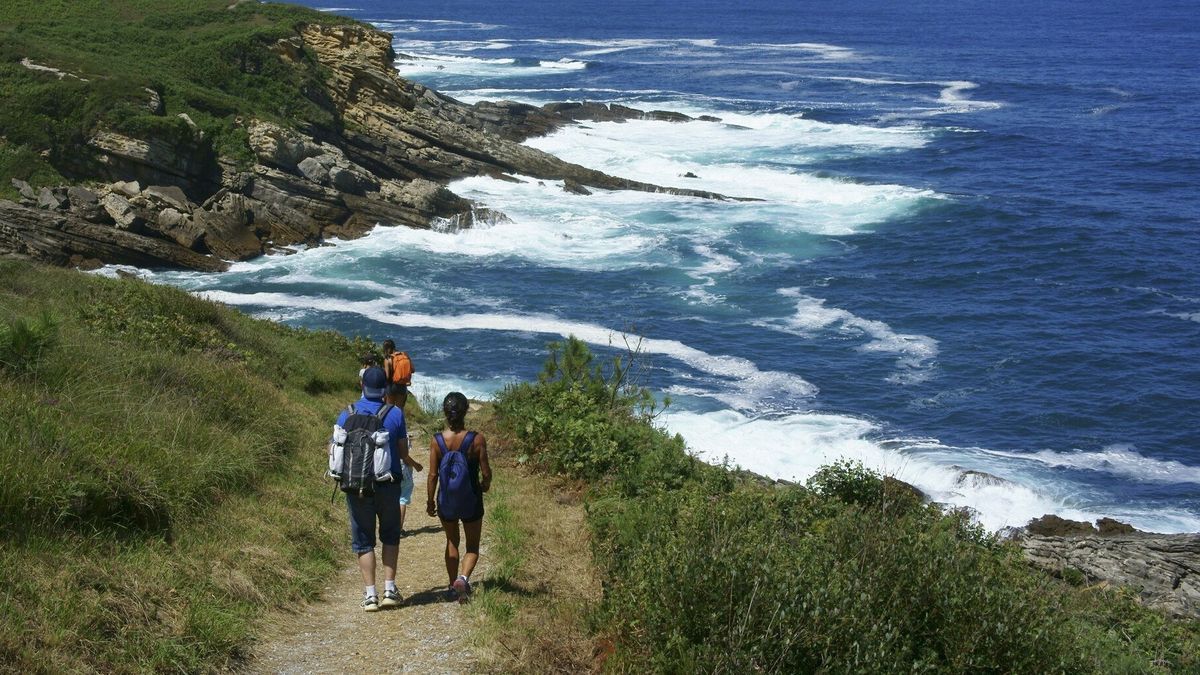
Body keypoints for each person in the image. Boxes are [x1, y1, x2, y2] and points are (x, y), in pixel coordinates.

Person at [335, 366, 410, 612]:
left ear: (362, 386)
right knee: (390, 534)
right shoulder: (395, 413)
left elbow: (333, 450)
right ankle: (390, 589)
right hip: (387, 484)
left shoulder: (346, 414)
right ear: (385, 389)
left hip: (356, 486)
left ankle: (370, 596)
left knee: (363, 540)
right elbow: (402, 452)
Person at [427, 392, 491, 602]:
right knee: (472, 546)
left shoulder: (437, 441)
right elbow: (486, 472)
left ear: (445, 414)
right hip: (471, 499)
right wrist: (485, 485)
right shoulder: (476, 439)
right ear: (465, 412)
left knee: (451, 541)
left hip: (446, 501)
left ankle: (452, 584)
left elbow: (433, 475)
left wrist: (430, 501)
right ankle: (463, 579)